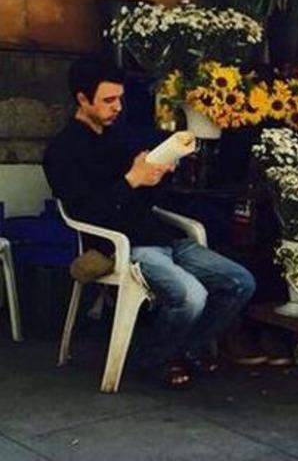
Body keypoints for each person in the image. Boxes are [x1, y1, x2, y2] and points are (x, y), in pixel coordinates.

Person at [43, 57, 256, 390]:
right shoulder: (62, 151)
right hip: (122, 245)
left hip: (159, 236)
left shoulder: (116, 139)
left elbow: (142, 199)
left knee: (239, 282)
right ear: (82, 99)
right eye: (108, 100)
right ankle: (156, 357)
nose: (117, 108)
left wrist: (157, 171)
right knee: (191, 296)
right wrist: (131, 179)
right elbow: (87, 211)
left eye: (120, 99)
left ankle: (178, 348)